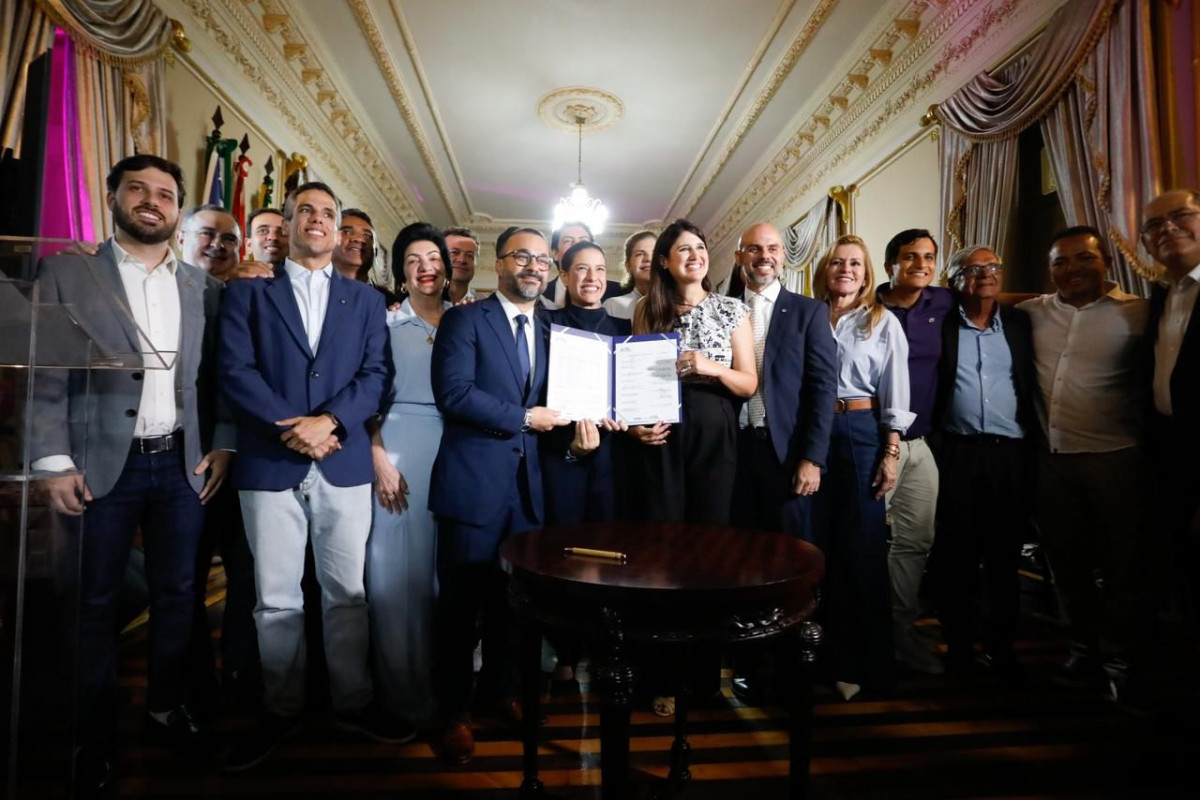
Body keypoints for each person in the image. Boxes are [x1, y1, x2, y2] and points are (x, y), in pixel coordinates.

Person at [29, 155, 233, 790]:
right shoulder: (68, 272)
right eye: (138, 190)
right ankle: (94, 735)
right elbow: (45, 369)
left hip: (180, 465)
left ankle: (166, 710)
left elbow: (213, 378)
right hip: (95, 468)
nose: (152, 201)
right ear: (113, 197)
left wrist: (223, 444)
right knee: (91, 605)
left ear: (177, 210)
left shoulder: (202, 287)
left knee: (179, 598)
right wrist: (53, 460)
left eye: (166, 194)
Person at [218, 181, 411, 771]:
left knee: (347, 597)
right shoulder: (248, 293)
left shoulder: (368, 302)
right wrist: (289, 426)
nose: (320, 221)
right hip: (270, 462)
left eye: (329, 214)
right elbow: (234, 370)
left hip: (343, 461)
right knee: (275, 600)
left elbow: (377, 375)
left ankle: (353, 703)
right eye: (308, 211)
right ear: (288, 224)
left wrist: (328, 420)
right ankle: (281, 708)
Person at [428, 226, 571, 764]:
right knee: (461, 608)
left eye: (542, 260)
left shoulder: (556, 331)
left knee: (514, 607)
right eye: (522, 257)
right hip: (472, 486)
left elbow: (568, 398)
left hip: (529, 491)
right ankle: (453, 712)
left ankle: (501, 692)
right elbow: (454, 394)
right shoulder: (465, 320)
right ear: (499, 263)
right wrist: (522, 418)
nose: (534, 267)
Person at [1017, 226, 1149, 700]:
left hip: (1117, 458)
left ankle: (1123, 660)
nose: (1071, 269)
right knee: (1065, 567)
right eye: (1060, 261)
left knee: (1123, 568)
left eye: (1083, 259)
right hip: (1051, 462)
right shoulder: (1031, 312)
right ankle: (1082, 651)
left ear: (1106, 262)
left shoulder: (1139, 313)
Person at [727, 222, 837, 705]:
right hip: (732, 456)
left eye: (773, 248)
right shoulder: (722, 309)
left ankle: (795, 669)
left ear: (783, 257)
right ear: (739, 256)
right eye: (755, 248)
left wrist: (812, 458)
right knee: (740, 565)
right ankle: (750, 669)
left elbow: (822, 390)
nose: (764, 256)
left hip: (787, 457)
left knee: (790, 566)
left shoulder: (809, 312)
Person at [810, 234, 913, 701]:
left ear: (867, 272)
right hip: (811, 436)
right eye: (837, 262)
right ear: (824, 270)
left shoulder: (882, 321)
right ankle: (820, 659)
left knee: (861, 550)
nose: (845, 269)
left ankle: (862, 662)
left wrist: (890, 452)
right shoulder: (809, 317)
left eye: (855, 263)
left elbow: (896, 387)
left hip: (860, 431)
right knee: (819, 548)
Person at [932, 246, 1037, 681]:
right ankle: (958, 646)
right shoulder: (939, 324)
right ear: (954, 280)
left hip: (1010, 455)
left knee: (1002, 557)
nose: (985, 275)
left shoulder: (1021, 322)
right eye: (972, 270)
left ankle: (1001, 647)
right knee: (954, 557)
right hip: (957, 453)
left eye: (992, 267)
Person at [176, 205, 262, 710]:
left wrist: (229, 442)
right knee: (184, 578)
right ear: (185, 237)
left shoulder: (250, 295)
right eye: (207, 234)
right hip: (181, 461)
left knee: (246, 575)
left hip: (245, 459)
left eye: (229, 239)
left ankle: (240, 673)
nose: (218, 246)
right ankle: (193, 685)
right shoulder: (168, 293)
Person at [366, 222, 453, 723]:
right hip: (398, 450)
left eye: (434, 257)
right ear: (401, 271)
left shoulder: (466, 323)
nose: (426, 267)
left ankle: (445, 693)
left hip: (456, 451)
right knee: (395, 578)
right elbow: (365, 395)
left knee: (444, 580)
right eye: (415, 259)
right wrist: (377, 455)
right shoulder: (383, 324)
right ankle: (400, 698)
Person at [633, 219, 757, 524]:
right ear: (664, 261)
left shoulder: (733, 310)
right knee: (662, 522)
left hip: (714, 422)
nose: (695, 255)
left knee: (712, 524)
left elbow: (749, 384)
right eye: (684, 249)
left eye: (700, 248)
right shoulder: (646, 308)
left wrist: (712, 368)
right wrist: (636, 427)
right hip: (661, 424)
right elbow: (635, 378)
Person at [876, 229, 955, 675]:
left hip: (921, 444)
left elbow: (997, 298)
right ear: (891, 265)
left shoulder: (942, 303)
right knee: (864, 542)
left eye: (928, 257)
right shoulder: (868, 307)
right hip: (873, 444)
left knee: (915, 541)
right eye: (910, 257)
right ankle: (864, 634)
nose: (921, 265)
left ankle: (900, 630)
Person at [1140, 189, 1200, 637]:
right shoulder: (1161, 296)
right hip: (1171, 454)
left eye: (1181, 216)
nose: (1168, 229)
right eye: (1155, 225)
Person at [541, 240, 631, 525]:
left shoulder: (626, 331)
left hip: (613, 461)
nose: (593, 278)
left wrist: (633, 421)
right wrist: (570, 448)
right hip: (557, 456)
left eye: (600, 269)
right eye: (582, 269)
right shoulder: (543, 324)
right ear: (564, 276)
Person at [542, 221, 623, 308]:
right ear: (555, 254)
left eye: (583, 240)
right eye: (568, 241)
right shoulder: (541, 293)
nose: (577, 245)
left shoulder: (619, 292)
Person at [603, 230, 657, 320]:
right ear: (628, 265)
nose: (648, 259)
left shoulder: (680, 304)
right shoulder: (612, 306)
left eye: (654, 253)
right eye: (640, 254)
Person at [332, 208, 375, 282]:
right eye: (347, 232)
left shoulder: (383, 293)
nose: (359, 239)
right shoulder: (308, 287)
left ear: (375, 251)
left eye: (367, 235)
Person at [443, 226, 480, 305]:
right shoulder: (418, 303)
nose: (462, 260)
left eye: (469, 255)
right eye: (454, 253)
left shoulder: (487, 307)